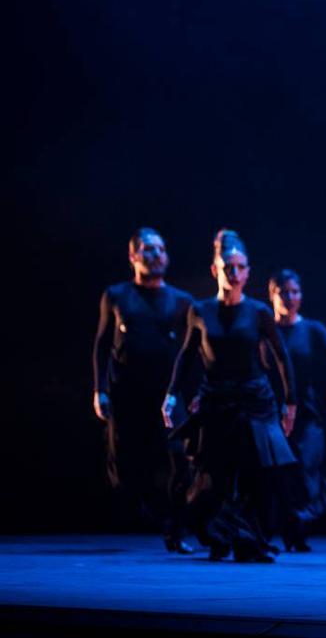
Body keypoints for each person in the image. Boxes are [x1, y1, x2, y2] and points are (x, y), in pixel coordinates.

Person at [162, 229, 298, 563]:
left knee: (256, 475)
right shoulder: (200, 311)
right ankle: (219, 535)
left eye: (239, 267)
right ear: (216, 270)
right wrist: (171, 394)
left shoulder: (258, 312)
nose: (233, 273)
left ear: (248, 273)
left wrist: (290, 402)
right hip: (216, 402)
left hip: (253, 402)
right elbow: (187, 354)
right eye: (227, 267)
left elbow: (282, 358)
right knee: (214, 479)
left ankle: (247, 540)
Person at [92, 228, 194, 553]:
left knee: (179, 457)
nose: (157, 255)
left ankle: (175, 528)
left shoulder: (181, 301)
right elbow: (102, 344)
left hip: (167, 396)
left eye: (161, 249)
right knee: (125, 466)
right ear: (133, 256)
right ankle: (145, 513)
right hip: (126, 394)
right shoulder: (116, 295)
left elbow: (192, 353)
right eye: (148, 250)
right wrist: (100, 389)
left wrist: (191, 394)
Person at [266, 269, 326, 552]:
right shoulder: (265, 328)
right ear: (272, 294)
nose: (289, 298)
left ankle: (299, 522)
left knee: (305, 466)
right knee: (277, 471)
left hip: (307, 412)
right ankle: (285, 530)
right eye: (283, 292)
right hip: (272, 409)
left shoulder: (312, 329)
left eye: (294, 292)